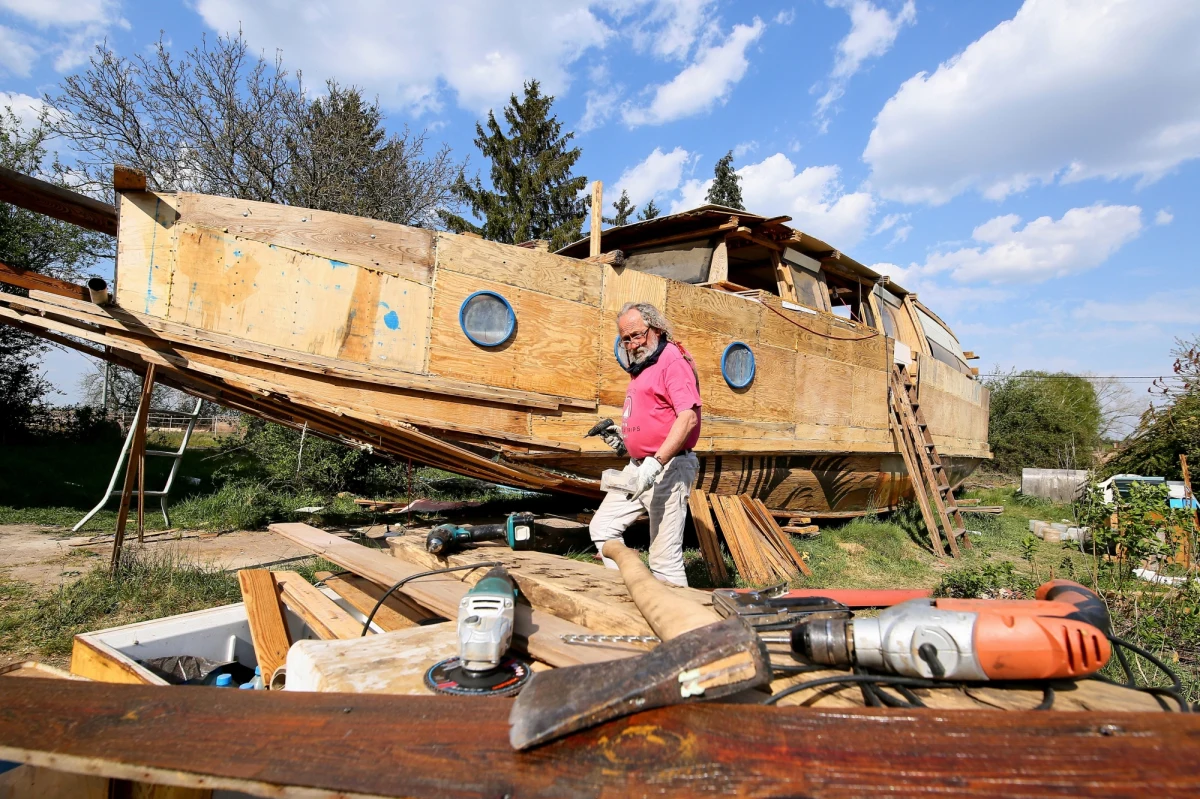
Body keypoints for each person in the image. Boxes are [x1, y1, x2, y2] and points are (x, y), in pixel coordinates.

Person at [589, 302, 701, 586]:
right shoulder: (644, 365)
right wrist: (625, 438)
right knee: (603, 529)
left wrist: (655, 463)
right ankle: (633, 595)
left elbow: (687, 417)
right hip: (638, 467)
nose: (632, 344)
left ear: (657, 328)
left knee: (664, 559)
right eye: (625, 339)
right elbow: (653, 416)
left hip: (668, 468)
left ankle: (680, 623)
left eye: (637, 335)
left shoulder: (672, 360)